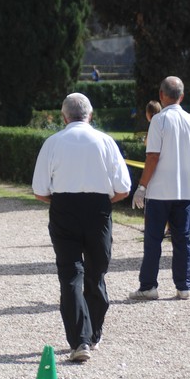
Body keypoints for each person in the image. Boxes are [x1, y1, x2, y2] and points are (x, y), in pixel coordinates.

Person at [32, 93, 131, 362]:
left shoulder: (52, 142)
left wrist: (61, 200)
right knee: (96, 272)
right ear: (91, 114)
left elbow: (39, 190)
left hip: (64, 208)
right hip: (98, 210)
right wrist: (102, 200)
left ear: (64, 116)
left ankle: (79, 340)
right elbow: (123, 188)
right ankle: (94, 333)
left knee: (70, 275)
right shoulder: (105, 141)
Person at [130, 76, 190, 301]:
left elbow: (153, 156)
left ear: (161, 95)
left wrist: (142, 186)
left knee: (153, 240)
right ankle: (184, 286)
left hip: (160, 190)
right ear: (182, 96)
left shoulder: (159, 120)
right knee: (183, 239)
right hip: (184, 190)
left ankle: (149, 286)